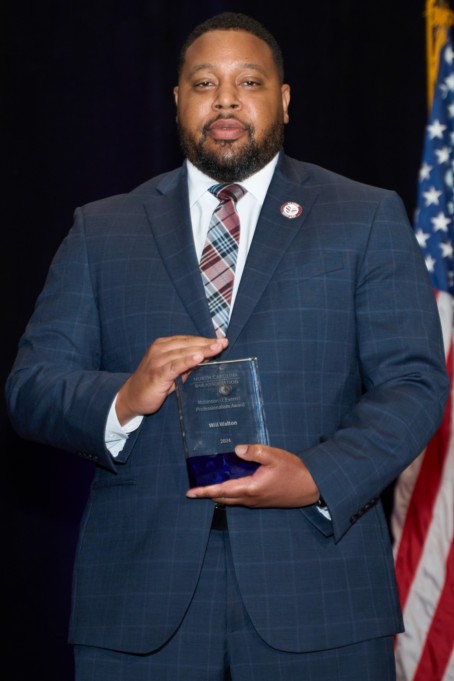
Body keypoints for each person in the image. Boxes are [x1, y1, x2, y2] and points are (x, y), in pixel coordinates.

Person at [5, 11, 449, 681]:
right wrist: (123, 397)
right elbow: (31, 386)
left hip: (319, 596)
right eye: (205, 82)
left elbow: (415, 382)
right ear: (178, 100)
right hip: (139, 607)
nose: (226, 100)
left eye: (250, 81)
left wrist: (316, 478)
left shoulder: (364, 215)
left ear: (285, 99)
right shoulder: (102, 230)